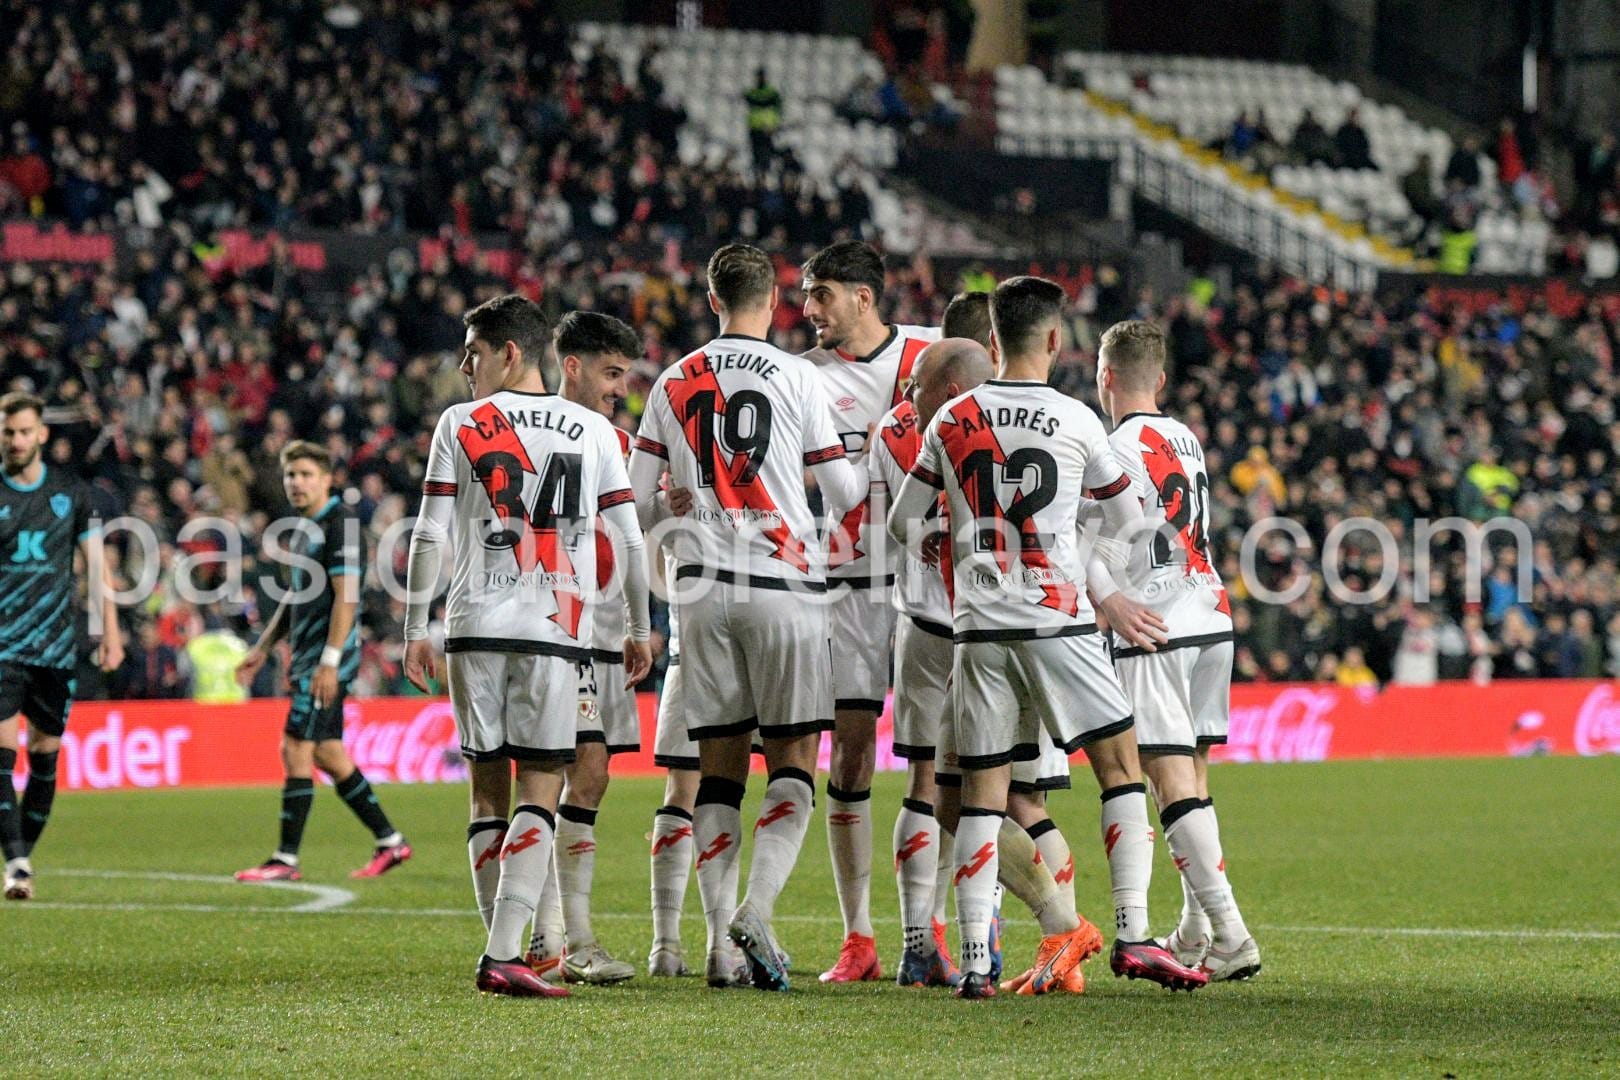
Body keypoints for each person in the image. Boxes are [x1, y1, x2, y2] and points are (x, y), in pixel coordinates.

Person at [889, 276, 1205, 999]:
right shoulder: (1076, 419)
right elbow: (1132, 522)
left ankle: (976, 963)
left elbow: (903, 522)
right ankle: (1132, 933)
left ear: (994, 337)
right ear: (1057, 340)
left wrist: (952, 541)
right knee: (1120, 768)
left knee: (981, 796)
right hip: (1059, 621)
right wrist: (1076, 550)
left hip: (978, 629)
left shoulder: (953, 417)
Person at [628, 243, 863, 991]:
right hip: (782, 584)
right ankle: (755, 910)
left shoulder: (672, 379)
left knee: (718, 776)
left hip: (699, 592)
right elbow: (845, 491)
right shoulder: (798, 375)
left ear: (711, 300)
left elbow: (634, 503)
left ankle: (716, 950)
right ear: (776, 301)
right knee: (793, 765)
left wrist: (674, 504)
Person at [402, 294, 652, 998]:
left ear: (510, 352)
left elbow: (428, 531)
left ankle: (506, 948)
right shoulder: (593, 430)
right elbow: (630, 540)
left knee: (487, 794)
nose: (465, 366)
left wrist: (414, 627)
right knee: (541, 787)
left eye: (473, 353)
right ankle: (507, 952)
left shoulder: (460, 422)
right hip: (552, 630)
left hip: (472, 626)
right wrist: (639, 627)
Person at [1094, 319, 1262, 982]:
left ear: (1106, 377)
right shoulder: (1186, 437)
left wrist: (1107, 598)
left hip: (1155, 625)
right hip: (1210, 616)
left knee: (1166, 784)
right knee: (1192, 780)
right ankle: (1195, 932)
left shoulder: (1111, 448)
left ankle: (1232, 933)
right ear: (1160, 379)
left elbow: (1094, 546)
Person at [800, 239, 941, 984]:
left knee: (934, 761)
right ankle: (858, 937)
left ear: (863, 296)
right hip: (850, 580)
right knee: (851, 752)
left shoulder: (932, 355)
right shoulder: (802, 375)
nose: (808, 309)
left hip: (929, 582)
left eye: (820, 293)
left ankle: (931, 927)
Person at [523, 310, 644, 986]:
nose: (621, 388)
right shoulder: (531, 431)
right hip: (548, 625)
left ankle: (558, 937)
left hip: (598, 629)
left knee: (587, 775)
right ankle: (557, 937)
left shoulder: (618, 441)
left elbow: (630, 531)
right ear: (571, 366)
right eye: (611, 373)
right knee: (564, 772)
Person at [234, 441, 412, 883]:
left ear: (327, 479)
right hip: (311, 657)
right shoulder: (306, 529)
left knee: (295, 747)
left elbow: (346, 598)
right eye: (290, 475)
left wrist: (330, 662)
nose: (296, 482)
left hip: (326, 660)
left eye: (305, 474)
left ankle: (285, 860)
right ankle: (390, 841)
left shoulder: (340, 525)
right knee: (329, 753)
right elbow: (295, 597)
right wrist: (263, 647)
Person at [0, 391, 124, 901]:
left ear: (42, 434)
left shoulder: (72, 493)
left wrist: (111, 631)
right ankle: (16, 863)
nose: (15, 440)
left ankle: (21, 858)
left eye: (23, 431)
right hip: (3, 647)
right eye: (8, 432)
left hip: (54, 646)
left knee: (45, 758)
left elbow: (96, 568)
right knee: (2, 754)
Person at [744, 68, 782, 171]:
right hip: (754, 127)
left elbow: (778, 110)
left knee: (766, 152)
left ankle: (765, 171)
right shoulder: (751, 92)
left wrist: (774, 125)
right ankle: (758, 171)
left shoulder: (772, 93)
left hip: (767, 128)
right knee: (756, 152)